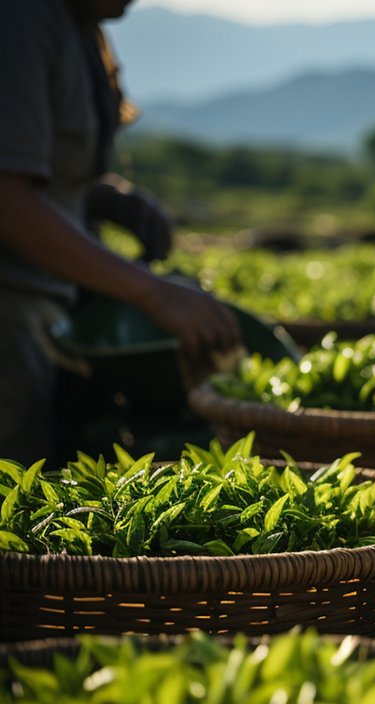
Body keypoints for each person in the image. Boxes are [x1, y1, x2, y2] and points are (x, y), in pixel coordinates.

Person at [0, 0, 240, 464]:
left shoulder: (80, 26)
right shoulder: (19, 18)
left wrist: (106, 196)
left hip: (51, 310)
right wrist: (153, 294)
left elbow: (40, 170)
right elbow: (8, 201)